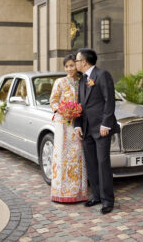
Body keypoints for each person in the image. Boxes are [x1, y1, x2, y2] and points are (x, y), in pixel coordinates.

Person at [74, 48, 120, 214]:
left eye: (77, 61)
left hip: (101, 130)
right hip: (86, 130)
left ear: (84, 62)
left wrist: (106, 124)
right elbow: (79, 105)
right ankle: (97, 196)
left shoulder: (102, 75)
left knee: (103, 164)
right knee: (91, 164)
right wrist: (77, 125)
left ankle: (108, 201)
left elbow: (109, 101)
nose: (76, 63)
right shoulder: (82, 80)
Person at [50, 54, 87, 203]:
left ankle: (77, 192)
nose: (69, 68)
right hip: (62, 123)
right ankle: (61, 192)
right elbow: (53, 101)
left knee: (77, 155)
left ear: (76, 65)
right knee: (62, 155)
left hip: (77, 123)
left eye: (72, 65)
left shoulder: (82, 81)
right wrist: (61, 110)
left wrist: (76, 112)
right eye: (67, 66)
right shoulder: (60, 82)